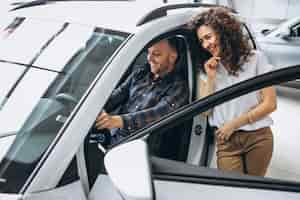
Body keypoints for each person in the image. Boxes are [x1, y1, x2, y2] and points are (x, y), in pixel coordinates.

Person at [188, 7, 277, 176]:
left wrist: (234, 124)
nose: (206, 44)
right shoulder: (206, 69)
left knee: (253, 190)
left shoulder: (256, 59)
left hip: (258, 138)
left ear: (224, 32)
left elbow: (270, 104)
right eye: (201, 41)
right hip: (226, 142)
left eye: (208, 37)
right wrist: (211, 78)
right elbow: (205, 112)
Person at [93, 38, 189, 146]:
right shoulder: (141, 73)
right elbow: (118, 94)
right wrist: (94, 108)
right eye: (148, 53)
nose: (149, 58)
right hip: (113, 137)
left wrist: (118, 121)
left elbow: (158, 115)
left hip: (138, 147)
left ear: (172, 57)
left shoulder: (179, 87)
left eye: (156, 54)